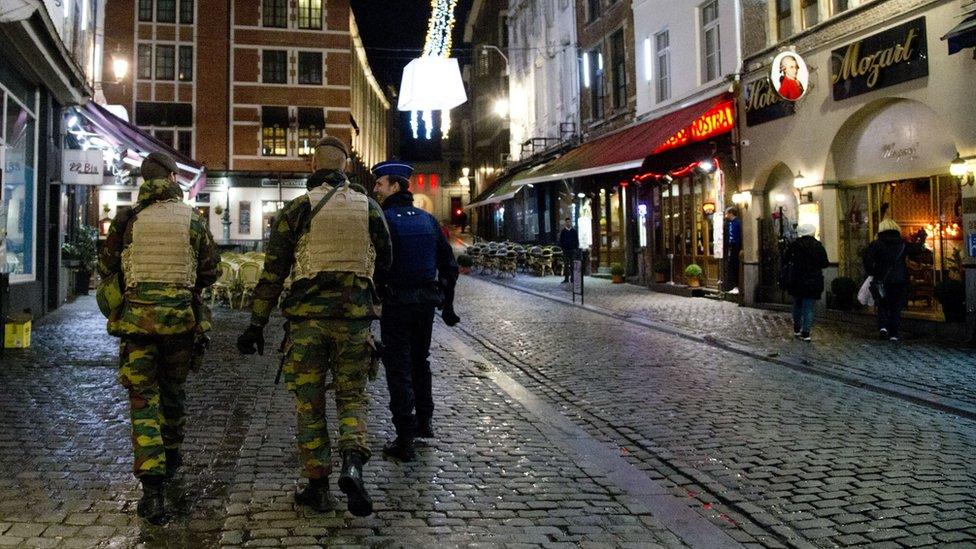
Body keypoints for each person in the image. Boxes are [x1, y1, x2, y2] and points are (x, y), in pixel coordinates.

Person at [236, 136, 392, 516]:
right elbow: (386, 260)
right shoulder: (369, 208)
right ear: (345, 167)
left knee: (310, 405)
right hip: (354, 325)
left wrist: (256, 324)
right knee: (352, 397)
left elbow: (272, 274)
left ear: (313, 167)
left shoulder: (297, 209)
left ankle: (318, 486)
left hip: (306, 327)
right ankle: (353, 465)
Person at [97, 152, 218, 524]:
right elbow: (210, 271)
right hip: (180, 325)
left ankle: (152, 490)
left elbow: (106, 267)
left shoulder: (126, 219)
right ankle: (173, 456)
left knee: (143, 400)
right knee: (173, 392)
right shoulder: (192, 221)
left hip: (136, 326)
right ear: (171, 178)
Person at [371, 160, 460, 462]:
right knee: (420, 361)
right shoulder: (427, 220)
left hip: (396, 304)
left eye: (380, 184)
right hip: (425, 305)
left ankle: (405, 436)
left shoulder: (382, 220)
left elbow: (376, 265)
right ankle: (425, 422)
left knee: (398, 367)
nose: (376, 189)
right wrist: (448, 306)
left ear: (395, 186)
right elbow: (449, 266)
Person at [863, 218, 927, 342]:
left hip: (881, 279)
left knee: (882, 304)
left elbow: (867, 260)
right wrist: (922, 241)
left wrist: (873, 273)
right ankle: (894, 333)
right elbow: (917, 250)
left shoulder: (876, 244)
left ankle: (883, 327)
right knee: (895, 307)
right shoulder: (902, 243)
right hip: (899, 280)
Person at [782, 224, 828, 341]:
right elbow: (825, 263)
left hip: (797, 279)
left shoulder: (794, 246)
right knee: (808, 307)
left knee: (797, 304)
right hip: (812, 280)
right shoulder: (818, 246)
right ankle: (806, 332)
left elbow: (785, 259)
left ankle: (797, 329)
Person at [724, 207, 742, 293]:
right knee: (731, 266)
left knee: (736, 266)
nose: (726, 215)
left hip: (737, 247)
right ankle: (733, 285)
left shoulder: (738, 223)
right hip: (730, 247)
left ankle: (738, 286)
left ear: (731, 213)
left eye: (727, 213)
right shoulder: (728, 223)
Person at [558, 217, 580, 283]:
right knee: (566, 265)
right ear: (565, 223)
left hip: (572, 250)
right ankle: (566, 278)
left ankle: (572, 278)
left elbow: (576, 240)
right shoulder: (563, 232)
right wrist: (563, 248)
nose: (568, 223)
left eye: (569, 222)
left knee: (572, 265)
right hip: (566, 251)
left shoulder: (574, 231)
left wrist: (575, 248)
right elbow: (561, 241)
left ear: (571, 223)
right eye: (567, 222)